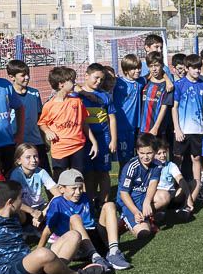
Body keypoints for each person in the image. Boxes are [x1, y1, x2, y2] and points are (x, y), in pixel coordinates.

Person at [40, 169, 127, 270]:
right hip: (77, 244)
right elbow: (47, 230)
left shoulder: (84, 197)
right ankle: (95, 257)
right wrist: (39, 250)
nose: (78, 192)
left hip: (94, 238)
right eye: (74, 188)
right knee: (75, 218)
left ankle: (113, 252)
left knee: (109, 205)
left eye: (80, 188)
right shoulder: (57, 203)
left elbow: (92, 220)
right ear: (61, 188)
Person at [38, 66, 99, 178]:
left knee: (78, 179)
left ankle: (81, 196)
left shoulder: (77, 102)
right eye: (72, 81)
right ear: (61, 84)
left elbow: (84, 123)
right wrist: (47, 131)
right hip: (60, 149)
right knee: (61, 181)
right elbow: (42, 123)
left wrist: (94, 142)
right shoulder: (49, 106)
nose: (75, 84)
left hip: (78, 146)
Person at [77, 63, 118, 203]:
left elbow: (112, 118)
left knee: (103, 172)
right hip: (85, 139)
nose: (98, 82)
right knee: (88, 173)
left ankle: (104, 202)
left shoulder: (105, 96)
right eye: (96, 78)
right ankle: (89, 201)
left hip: (103, 138)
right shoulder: (77, 95)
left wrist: (113, 140)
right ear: (86, 75)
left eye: (101, 79)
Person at [173, 54, 203, 190]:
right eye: (194, 68)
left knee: (196, 158)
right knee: (178, 158)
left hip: (198, 130)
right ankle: (174, 187)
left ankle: (197, 187)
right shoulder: (179, 85)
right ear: (187, 68)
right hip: (182, 130)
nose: (197, 71)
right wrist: (177, 129)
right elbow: (174, 108)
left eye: (199, 68)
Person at [116, 133, 163, 241]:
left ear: (155, 152)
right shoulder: (131, 167)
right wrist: (135, 212)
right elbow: (124, 193)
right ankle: (124, 220)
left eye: (149, 153)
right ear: (137, 151)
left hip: (143, 197)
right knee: (144, 233)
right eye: (142, 153)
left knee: (164, 196)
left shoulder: (157, 164)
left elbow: (153, 183)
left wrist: (147, 201)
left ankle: (147, 217)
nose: (145, 157)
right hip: (129, 202)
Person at [10, 142, 60, 229]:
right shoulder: (16, 175)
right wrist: (32, 211)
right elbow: (14, 200)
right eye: (28, 157)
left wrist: (43, 213)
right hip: (24, 209)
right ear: (18, 161)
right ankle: (24, 228)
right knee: (14, 209)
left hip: (40, 207)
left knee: (58, 204)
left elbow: (58, 194)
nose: (33, 160)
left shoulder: (41, 172)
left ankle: (48, 228)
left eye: (35, 156)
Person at [7, 59, 46, 167]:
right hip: (17, 143)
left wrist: (43, 139)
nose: (27, 77)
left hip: (36, 141)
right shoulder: (8, 95)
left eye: (28, 74)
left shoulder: (35, 93)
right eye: (23, 75)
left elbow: (39, 118)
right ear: (12, 77)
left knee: (44, 173)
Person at [112, 54, 146, 166]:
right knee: (125, 160)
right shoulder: (117, 82)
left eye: (139, 67)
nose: (138, 70)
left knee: (138, 157)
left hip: (137, 126)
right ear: (126, 70)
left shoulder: (141, 81)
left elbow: (152, 75)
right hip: (122, 126)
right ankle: (123, 182)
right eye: (133, 68)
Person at [141, 52, 175, 138]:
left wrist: (156, 127)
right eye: (151, 66)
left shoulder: (167, 86)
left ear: (162, 65)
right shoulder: (144, 81)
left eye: (156, 65)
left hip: (158, 129)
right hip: (142, 128)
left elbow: (164, 108)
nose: (154, 69)